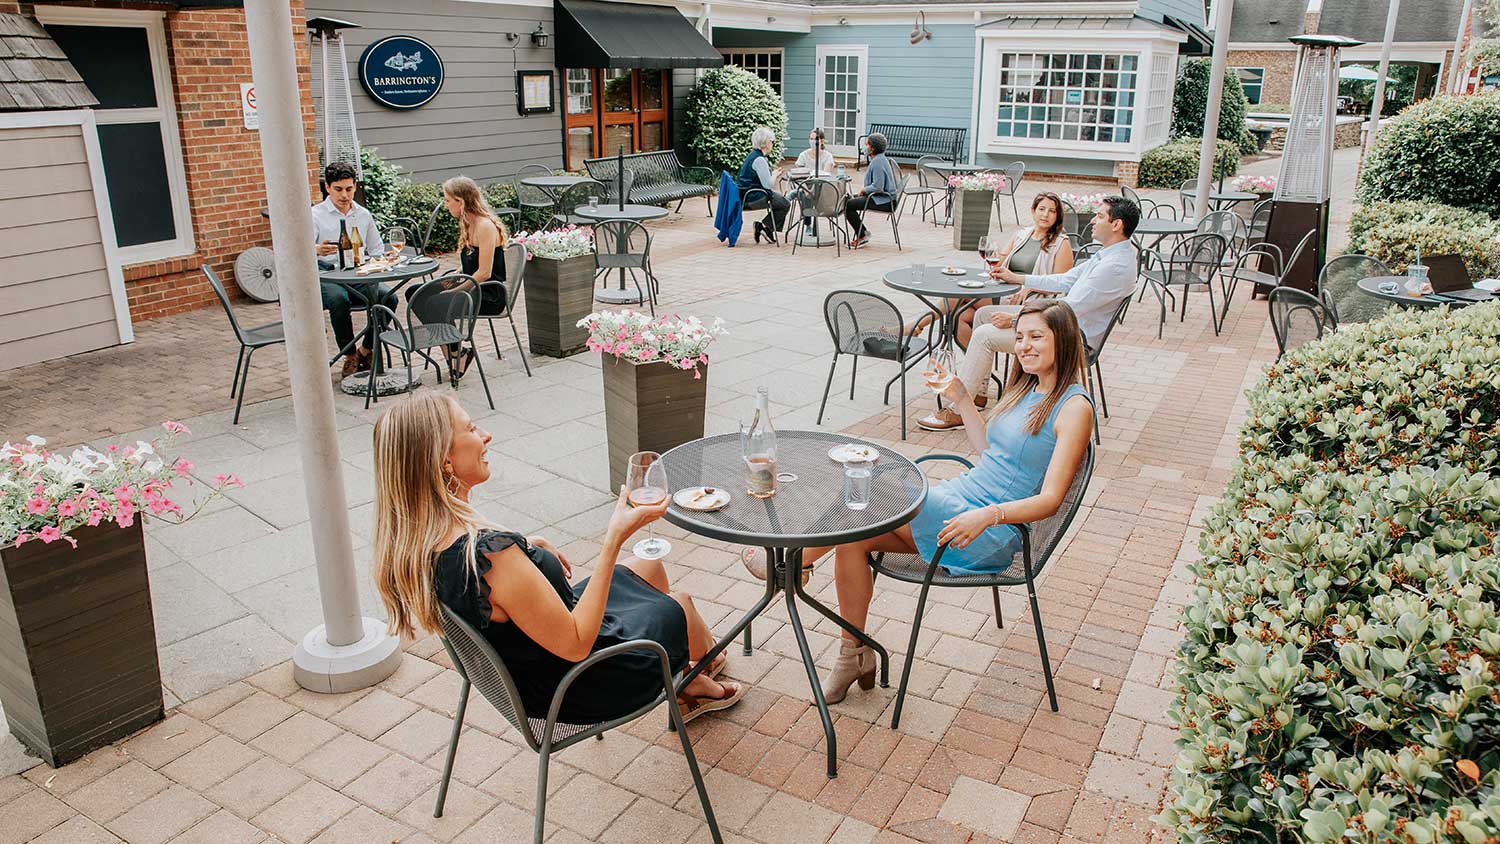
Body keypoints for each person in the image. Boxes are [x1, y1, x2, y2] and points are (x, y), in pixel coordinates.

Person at [372, 393, 746, 726]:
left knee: (649, 566)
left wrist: (527, 549)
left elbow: (499, 596)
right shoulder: (492, 556)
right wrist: (613, 538)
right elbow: (578, 643)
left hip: (536, 660)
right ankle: (689, 677)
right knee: (680, 605)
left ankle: (687, 672)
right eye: (471, 429)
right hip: (577, 681)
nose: (485, 436)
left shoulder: (421, 544)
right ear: (445, 462)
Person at [799, 300, 1094, 704]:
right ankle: (853, 656)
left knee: (873, 491)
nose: (1024, 346)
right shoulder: (1026, 387)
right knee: (855, 535)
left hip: (988, 530)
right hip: (961, 501)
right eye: (1020, 337)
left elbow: (1051, 499)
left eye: (1036, 337)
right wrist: (960, 399)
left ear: (1062, 339)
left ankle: (791, 564)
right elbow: (991, 451)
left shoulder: (1074, 408)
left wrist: (987, 517)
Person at [918, 195, 1138, 432]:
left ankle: (959, 410)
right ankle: (978, 392)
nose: (1094, 220)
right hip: (1059, 326)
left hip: (1070, 340)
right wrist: (1019, 279)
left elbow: (1068, 307)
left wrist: (1015, 319)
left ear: (1117, 225)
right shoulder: (1108, 255)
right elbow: (1064, 280)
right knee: (984, 315)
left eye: (1100, 215)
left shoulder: (1114, 266)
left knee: (983, 334)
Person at [911, 192, 1075, 353]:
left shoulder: (1061, 243)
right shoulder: (1021, 235)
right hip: (1002, 293)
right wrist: (995, 257)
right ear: (1033, 211)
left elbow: (1060, 283)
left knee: (960, 294)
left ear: (1057, 216)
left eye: (1052, 211)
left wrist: (1030, 287)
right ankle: (978, 374)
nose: (1045, 214)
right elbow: (1000, 262)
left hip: (1027, 303)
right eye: (1042, 209)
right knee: (958, 317)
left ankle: (915, 325)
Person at [412, 176, 508, 378]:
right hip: (472, 287)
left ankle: (455, 353)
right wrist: (454, 278)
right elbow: (469, 266)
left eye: (448, 200)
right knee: (416, 294)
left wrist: (453, 290)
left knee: (437, 303)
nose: (445, 205)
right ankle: (455, 353)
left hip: (489, 294)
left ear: (461, 201)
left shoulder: (485, 226)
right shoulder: (469, 223)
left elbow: (484, 272)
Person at [312, 161, 398, 378]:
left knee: (389, 297)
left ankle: (365, 350)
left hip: (357, 273)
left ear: (355, 187)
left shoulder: (362, 214)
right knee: (339, 299)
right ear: (327, 188)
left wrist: (384, 256)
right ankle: (349, 354)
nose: (344, 195)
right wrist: (316, 249)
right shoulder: (315, 215)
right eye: (338, 189)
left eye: (349, 189)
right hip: (328, 275)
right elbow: (298, 251)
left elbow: (376, 249)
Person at [737, 126, 790, 244]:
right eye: (772, 141)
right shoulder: (759, 159)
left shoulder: (753, 155)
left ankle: (765, 228)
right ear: (766, 142)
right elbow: (768, 185)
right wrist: (775, 174)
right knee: (785, 203)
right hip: (752, 197)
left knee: (781, 201)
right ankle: (765, 228)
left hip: (746, 194)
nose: (773, 144)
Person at [844, 133, 897, 249]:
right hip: (879, 197)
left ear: (872, 148)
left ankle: (862, 235)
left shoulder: (878, 161)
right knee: (846, 198)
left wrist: (864, 189)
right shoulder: (879, 159)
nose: (864, 147)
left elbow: (878, 187)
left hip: (885, 201)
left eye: (866, 144)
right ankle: (862, 232)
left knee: (848, 205)